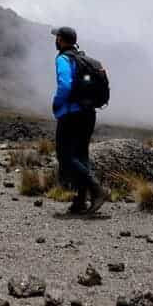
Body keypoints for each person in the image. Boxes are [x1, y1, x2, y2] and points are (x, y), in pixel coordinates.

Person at [51, 26, 107, 215]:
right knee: (81, 155)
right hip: (88, 114)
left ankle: (96, 190)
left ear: (61, 40)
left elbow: (65, 85)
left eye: (57, 37)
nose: (55, 40)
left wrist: (57, 104)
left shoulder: (63, 59)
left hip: (71, 114)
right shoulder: (85, 59)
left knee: (65, 156)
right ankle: (81, 201)